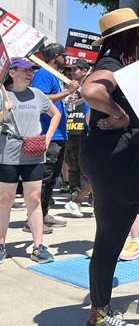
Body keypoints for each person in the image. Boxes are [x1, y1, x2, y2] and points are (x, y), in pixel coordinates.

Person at [81, 8, 139, 326]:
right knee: (111, 236)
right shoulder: (112, 65)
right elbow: (91, 91)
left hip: (125, 160)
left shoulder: (122, 66)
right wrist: (118, 112)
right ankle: (99, 312)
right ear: (128, 39)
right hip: (115, 162)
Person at [0, 58, 61, 263]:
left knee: (34, 198)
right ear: (12, 73)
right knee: (5, 200)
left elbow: (56, 114)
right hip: (7, 151)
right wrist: (3, 112)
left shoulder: (38, 94)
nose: (30, 74)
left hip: (34, 152)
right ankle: (1, 244)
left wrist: (48, 136)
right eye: (25, 70)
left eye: (31, 71)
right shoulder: (3, 94)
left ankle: (38, 246)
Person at [31, 43, 79, 230]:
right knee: (45, 177)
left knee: (51, 178)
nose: (66, 60)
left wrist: (68, 94)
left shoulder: (54, 76)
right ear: (55, 57)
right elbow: (40, 96)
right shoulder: (44, 74)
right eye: (63, 56)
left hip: (58, 134)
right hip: (48, 134)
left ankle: (43, 213)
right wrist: (66, 92)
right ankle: (34, 219)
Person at [63, 59, 91, 218]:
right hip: (77, 130)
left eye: (76, 69)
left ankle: (83, 199)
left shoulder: (89, 83)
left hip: (87, 130)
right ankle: (75, 197)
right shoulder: (71, 87)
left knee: (92, 170)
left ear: (85, 70)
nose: (73, 72)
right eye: (72, 70)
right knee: (74, 164)